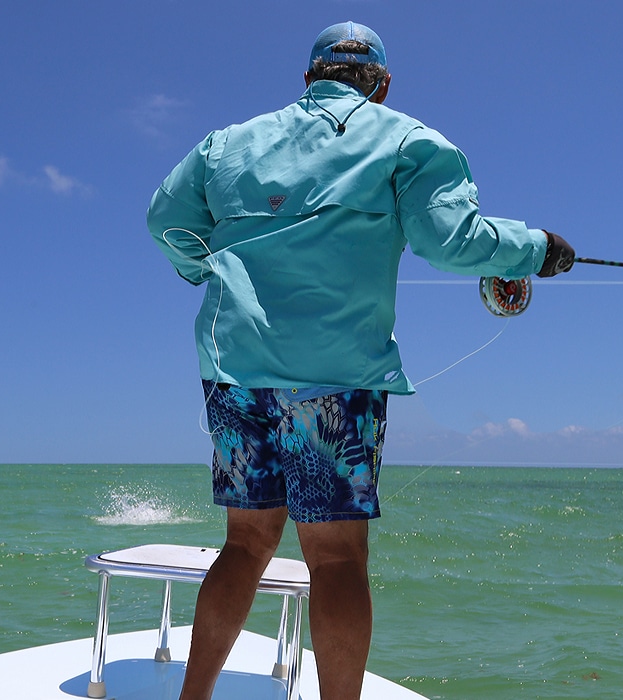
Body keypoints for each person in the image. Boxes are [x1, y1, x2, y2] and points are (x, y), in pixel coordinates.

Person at [146, 20, 575, 700]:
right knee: (337, 559)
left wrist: (204, 268)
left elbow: (163, 219)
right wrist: (537, 249)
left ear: (308, 78)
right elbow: (453, 241)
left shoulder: (227, 144)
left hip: (236, 370)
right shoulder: (407, 140)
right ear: (382, 86)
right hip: (335, 379)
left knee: (245, 545)